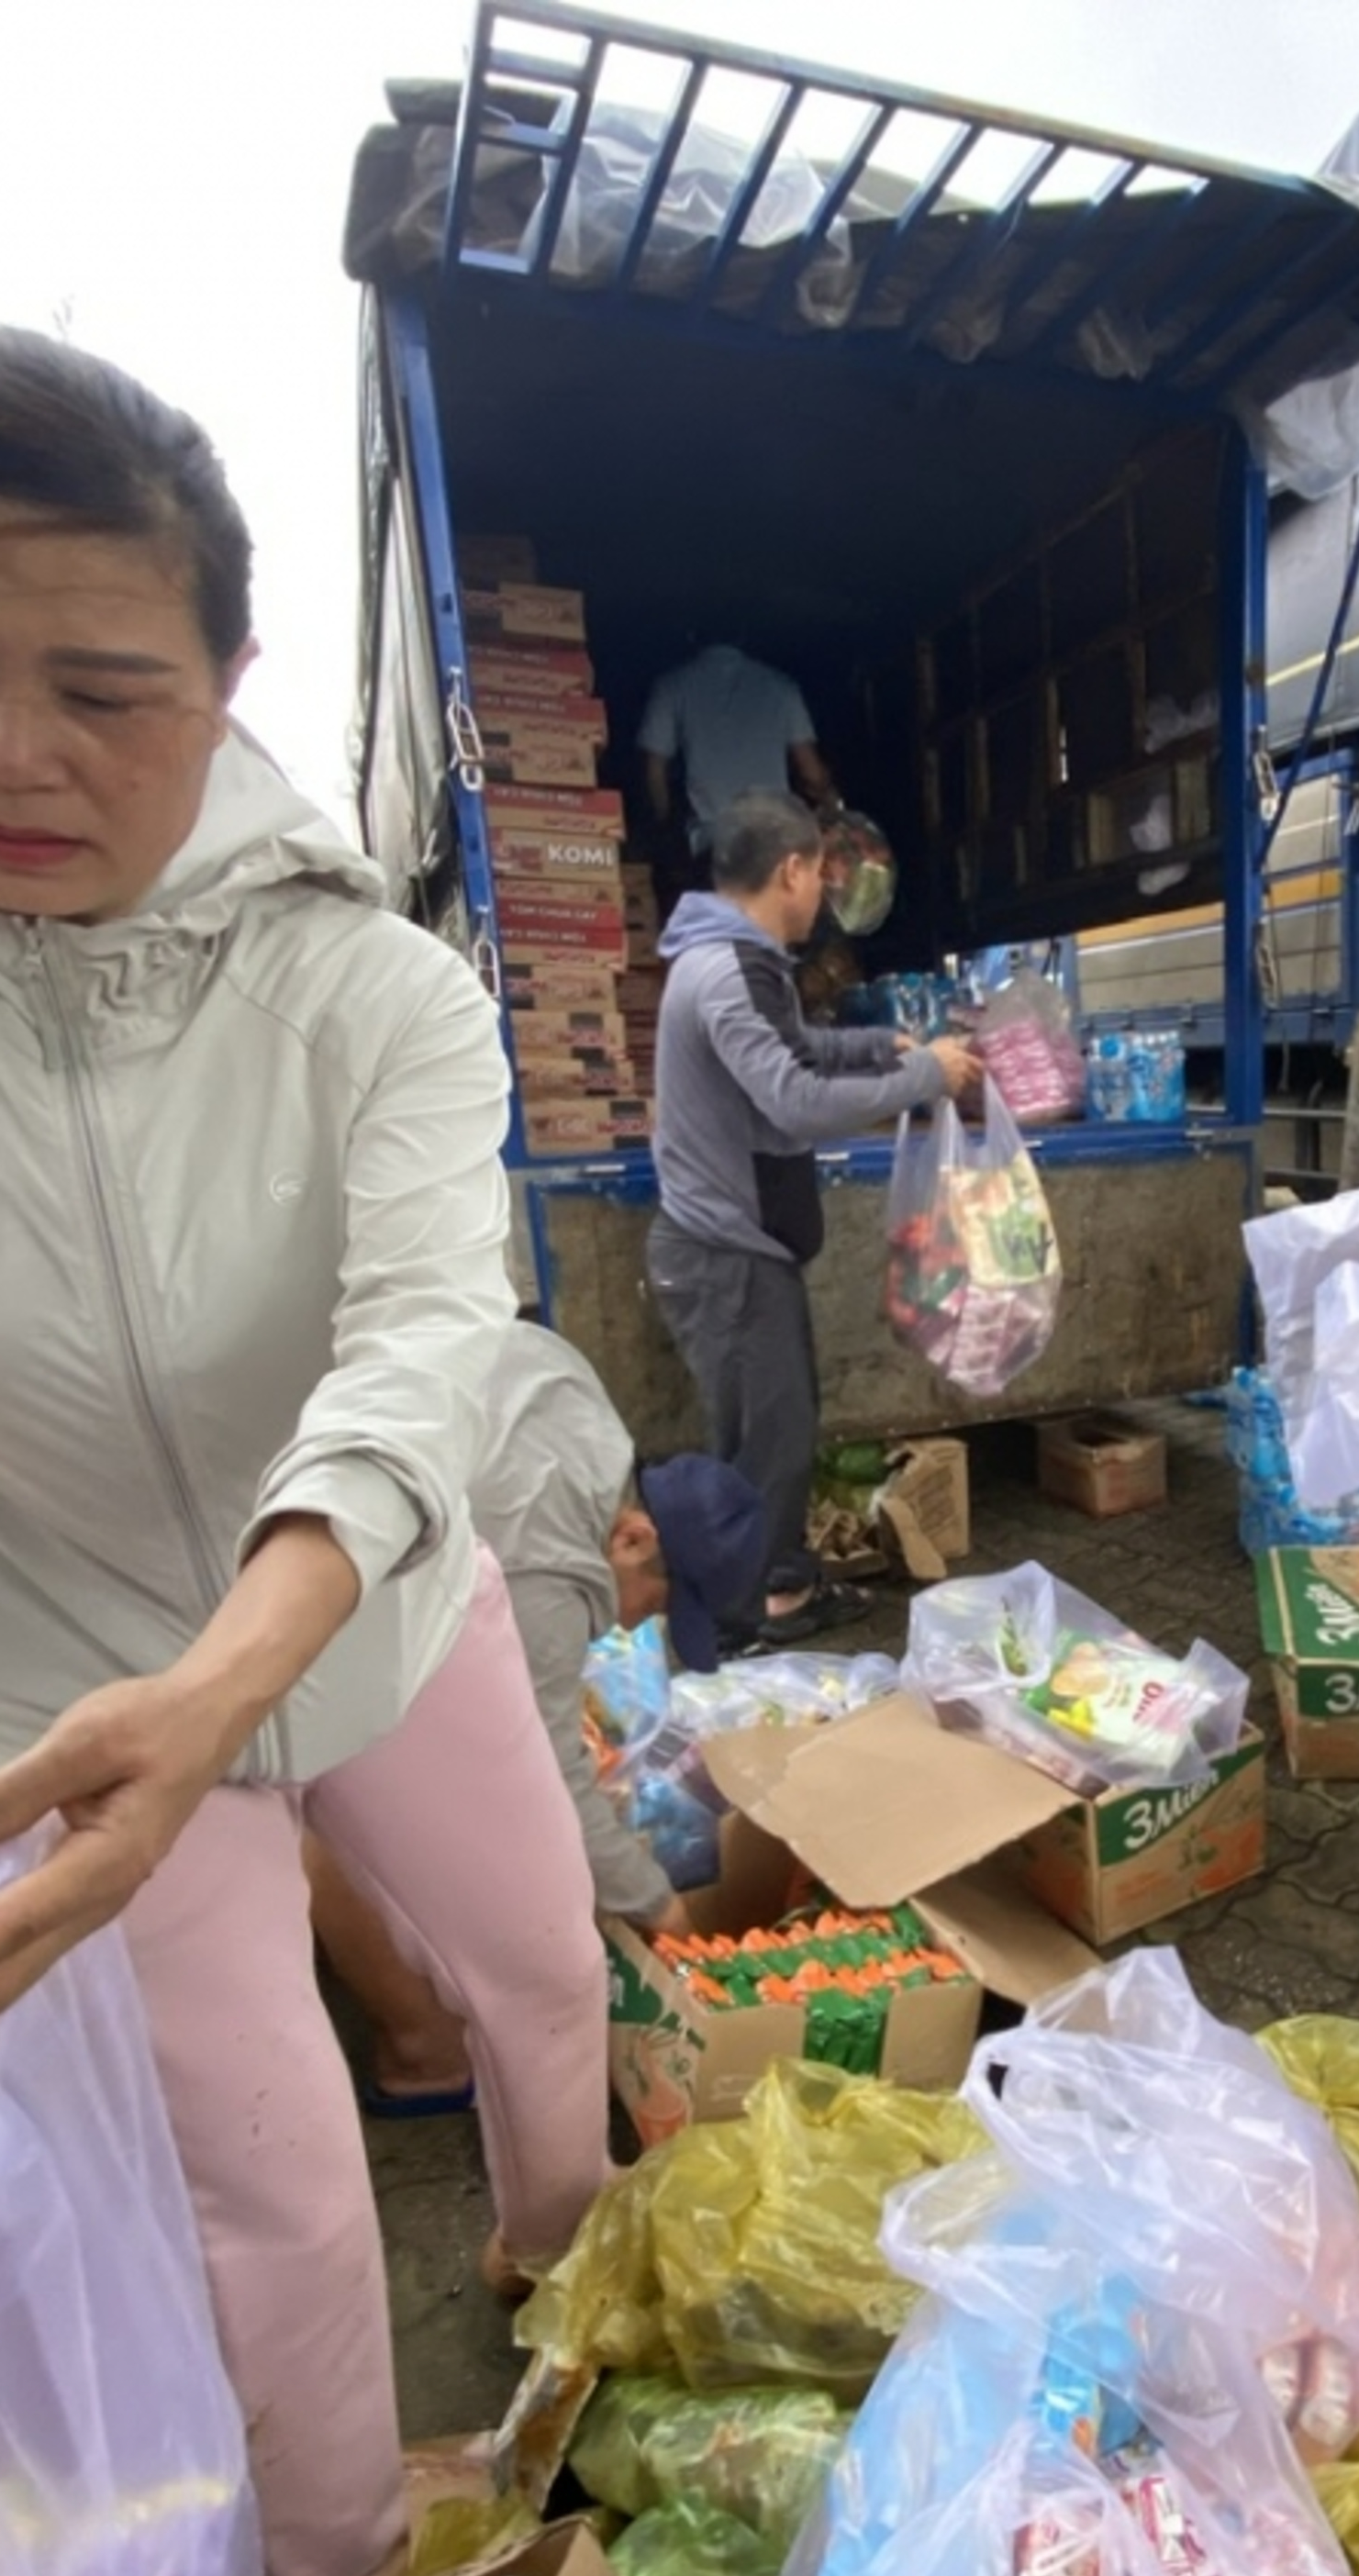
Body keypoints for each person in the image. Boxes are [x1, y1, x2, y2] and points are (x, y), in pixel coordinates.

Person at [0, 325, 609, 2576]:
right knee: (276, 2183)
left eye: (105, 688)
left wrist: (237, 1678)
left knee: (539, 1978)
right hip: (50, 1681)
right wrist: (170, 1716)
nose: (5, 750)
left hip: (370, 1615)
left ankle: (573, 2291)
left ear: (228, 674)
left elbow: (428, 1342)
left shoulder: (377, 996)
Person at [312, 1319, 770, 2108]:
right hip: (292, 1531)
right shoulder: (542, 1569)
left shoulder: (580, 1404)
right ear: (632, 1536)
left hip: (352, 1448)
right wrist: (656, 1902)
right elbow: (547, 1774)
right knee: (328, 1787)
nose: (631, 1628)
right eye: (653, 1605)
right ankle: (418, 2050)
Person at [648, 791, 979, 1643]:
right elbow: (792, 1099)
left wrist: (879, 1047)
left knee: (774, 1432)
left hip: (732, 1246)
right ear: (791, 870)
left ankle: (773, 1584)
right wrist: (926, 1078)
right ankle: (742, 1617)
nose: (823, 898)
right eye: (819, 878)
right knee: (769, 1444)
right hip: (724, 1251)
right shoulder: (725, 968)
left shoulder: (729, 958)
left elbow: (793, 1046)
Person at [640, 638, 836, 862]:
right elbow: (812, 774)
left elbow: (654, 772)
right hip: (774, 840)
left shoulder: (673, 685)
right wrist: (833, 804)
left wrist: (663, 827)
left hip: (713, 844)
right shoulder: (782, 688)